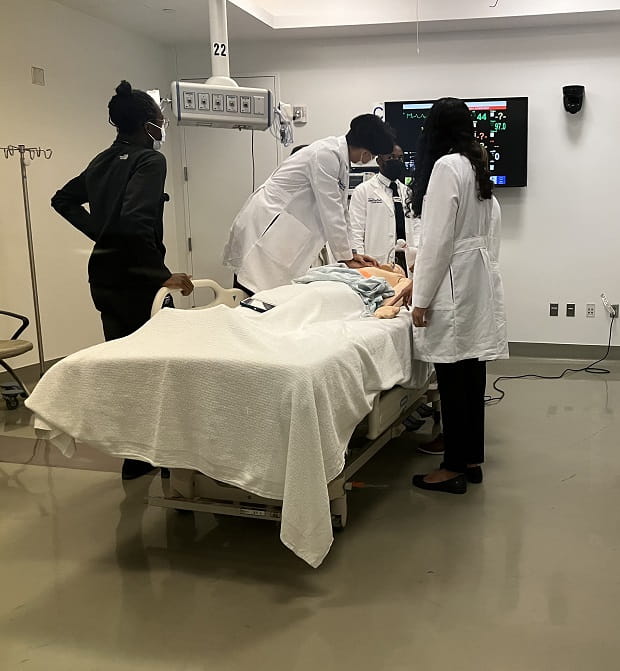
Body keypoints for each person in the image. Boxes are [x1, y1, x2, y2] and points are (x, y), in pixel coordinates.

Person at [51, 80, 194, 480]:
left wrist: (101, 235)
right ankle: (168, 459)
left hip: (104, 276)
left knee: (125, 365)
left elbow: (62, 199)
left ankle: (134, 458)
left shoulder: (102, 160)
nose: (162, 126)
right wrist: (163, 277)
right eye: (160, 118)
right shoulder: (150, 161)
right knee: (157, 368)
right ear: (148, 123)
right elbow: (136, 222)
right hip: (138, 279)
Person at [410, 97, 508, 495]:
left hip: (453, 280)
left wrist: (420, 298)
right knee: (471, 373)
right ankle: (470, 459)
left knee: (451, 376)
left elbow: (436, 242)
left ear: (434, 130)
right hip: (476, 279)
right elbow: (491, 228)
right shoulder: (475, 164)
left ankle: (451, 468)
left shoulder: (447, 166)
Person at [223, 114, 395, 294]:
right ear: (366, 152)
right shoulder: (325, 154)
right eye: (373, 155)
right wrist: (346, 258)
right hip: (267, 226)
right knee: (254, 288)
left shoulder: (339, 160)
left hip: (283, 229)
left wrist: (352, 253)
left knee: (271, 290)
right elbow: (331, 211)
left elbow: (342, 211)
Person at [349, 143, 420, 273]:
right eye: (391, 157)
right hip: (375, 262)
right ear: (379, 160)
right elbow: (355, 230)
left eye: (400, 158)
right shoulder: (363, 191)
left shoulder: (408, 192)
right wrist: (360, 262)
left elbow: (417, 227)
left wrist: (417, 255)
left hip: (407, 262)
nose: (396, 161)